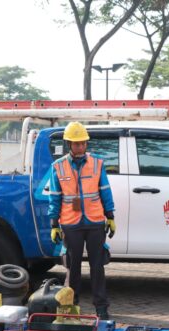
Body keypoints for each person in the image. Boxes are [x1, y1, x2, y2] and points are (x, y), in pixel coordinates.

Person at [48, 121, 116, 320]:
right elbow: (55, 196)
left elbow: (105, 191)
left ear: (86, 144)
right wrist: (54, 224)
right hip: (71, 224)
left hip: (95, 222)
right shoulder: (58, 167)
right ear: (69, 144)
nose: (79, 147)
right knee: (73, 267)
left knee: (97, 267)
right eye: (75, 143)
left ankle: (101, 309)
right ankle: (71, 308)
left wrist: (110, 216)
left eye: (82, 143)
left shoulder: (97, 164)